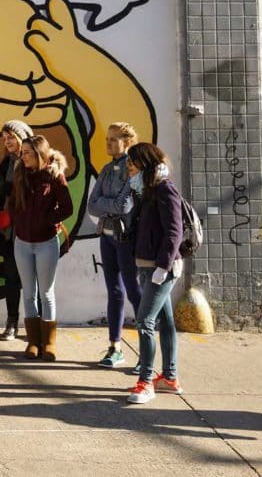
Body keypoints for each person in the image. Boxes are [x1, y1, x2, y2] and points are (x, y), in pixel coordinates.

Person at [125, 142, 184, 404]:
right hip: (147, 265)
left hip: (162, 268)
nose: (129, 168)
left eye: (132, 163)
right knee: (165, 320)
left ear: (145, 164)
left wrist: (163, 265)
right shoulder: (147, 190)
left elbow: (175, 231)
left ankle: (145, 382)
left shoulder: (164, 189)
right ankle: (169, 378)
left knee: (144, 322)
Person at [9, 135, 73, 361]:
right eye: (22, 152)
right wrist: (19, 220)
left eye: (27, 152)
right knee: (28, 293)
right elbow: (13, 203)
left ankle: (49, 343)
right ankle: (33, 342)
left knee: (46, 293)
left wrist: (48, 220)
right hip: (22, 242)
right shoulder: (19, 174)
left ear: (39, 154)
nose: (23, 156)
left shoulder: (54, 176)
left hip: (46, 242)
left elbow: (67, 207)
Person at [88, 122, 141, 369]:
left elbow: (124, 206)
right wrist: (110, 205)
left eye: (113, 139)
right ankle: (115, 347)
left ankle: (147, 351)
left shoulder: (133, 170)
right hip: (106, 236)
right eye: (107, 139)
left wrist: (106, 205)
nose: (108, 143)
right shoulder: (107, 169)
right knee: (115, 292)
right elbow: (92, 204)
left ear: (126, 142)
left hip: (125, 238)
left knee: (135, 293)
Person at [0, 120, 33, 342]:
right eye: (4, 138)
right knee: (10, 277)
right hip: (9, 228)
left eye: (11, 137)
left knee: (31, 280)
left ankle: (34, 326)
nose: (7, 142)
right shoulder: (5, 163)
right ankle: (11, 323)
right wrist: (3, 190)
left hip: (29, 227)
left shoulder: (33, 163)